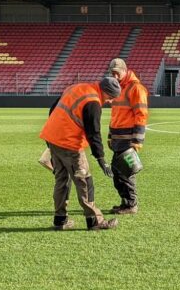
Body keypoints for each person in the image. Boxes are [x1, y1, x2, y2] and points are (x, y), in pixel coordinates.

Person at [39, 77, 121, 230]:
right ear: (104, 92)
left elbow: (53, 109)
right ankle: (95, 221)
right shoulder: (93, 102)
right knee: (84, 181)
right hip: (70, 144)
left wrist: (52, 138)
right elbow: (94, 133)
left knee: (61, 181)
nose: (110, 102)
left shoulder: (76, 87)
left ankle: (60, 221)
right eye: (110, 97)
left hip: (53, 139)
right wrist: (101, 159)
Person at [107, 58, 149, 215]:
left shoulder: (136, 88)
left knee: (126, 172)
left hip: (128, 140)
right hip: (118, 139)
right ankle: (125, 203)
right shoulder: (117, 88)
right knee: (117, 172)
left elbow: (141, 114)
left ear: (125, 71)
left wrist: (137, 141)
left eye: (117, 73)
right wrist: (111, 136)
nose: (114, 76)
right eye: (112, 73)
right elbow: (115, 114)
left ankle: (131, 204)